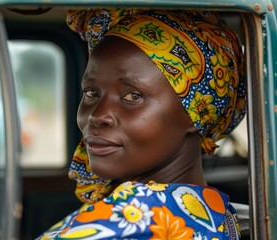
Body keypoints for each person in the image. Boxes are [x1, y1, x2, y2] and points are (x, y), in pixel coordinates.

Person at [37, 8, 246, 240]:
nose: (98, 115)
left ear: (196, 113)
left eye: (132, 96)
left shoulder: (127, 222)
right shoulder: (213, 211)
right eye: (91, 93)